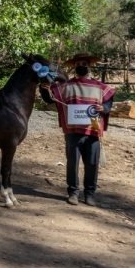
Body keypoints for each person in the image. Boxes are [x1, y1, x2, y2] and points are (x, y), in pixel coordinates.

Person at [39, 53, 115, 206]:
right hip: (73, 132)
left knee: (92, 164)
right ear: (74, 66)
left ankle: (90, 194)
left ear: (89, 66)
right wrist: (43, 89)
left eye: (84, 64)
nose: (81, 66)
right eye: (78, 64)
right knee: (72, 163)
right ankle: (73, 193)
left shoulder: (99, 87)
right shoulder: (66, 86)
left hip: (92, 131)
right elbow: (50, 99)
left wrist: (104, 108)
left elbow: (109, 100)